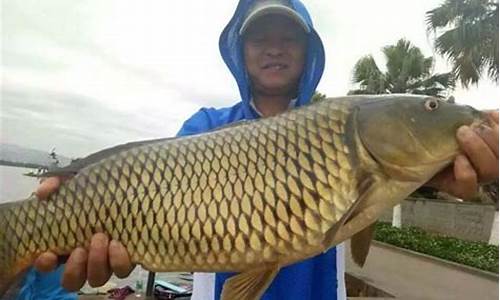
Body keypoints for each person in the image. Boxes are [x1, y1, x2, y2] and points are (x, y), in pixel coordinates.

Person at [22, 0, 499, 299]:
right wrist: (78, 198)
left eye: (288, 37)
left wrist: (441, 169)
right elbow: (155, 204)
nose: (274, 49)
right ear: (239, 50)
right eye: (260, 38)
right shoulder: (206, 127)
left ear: (308, 49)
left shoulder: (345, 130)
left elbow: (399, 189)